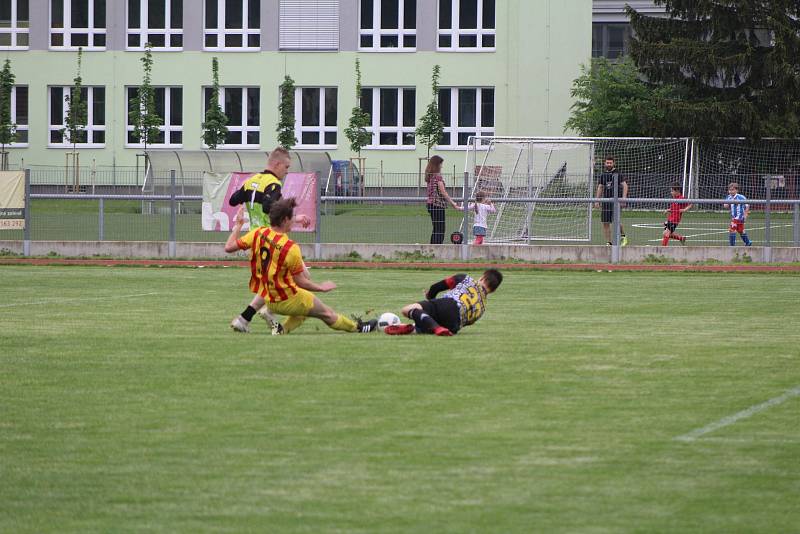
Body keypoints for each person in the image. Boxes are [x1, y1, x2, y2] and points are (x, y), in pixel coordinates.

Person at [225, 198, 378, 334]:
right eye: (292, 218)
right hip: (288, 299)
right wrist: (321, 287)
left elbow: (229, 247)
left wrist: (238, 225)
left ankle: (281, 330)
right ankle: (358, 327)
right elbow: (302, 282)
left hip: (269, 299)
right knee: (327, 314)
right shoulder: (290, 248)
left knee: (304, 312)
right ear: (285, 220)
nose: (294, 220)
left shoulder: (258, 233)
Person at [228, 147, 311, 333]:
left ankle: (243, 319)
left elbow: (233, 200)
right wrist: (294, 217)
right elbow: (268, 207)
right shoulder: (273, 184)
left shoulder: (252, 181)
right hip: (273, 241)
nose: (287, 171)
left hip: (255, 241)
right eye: (286, 167)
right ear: (277, 164)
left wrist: (248, 199)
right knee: (303, 277)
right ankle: (271, 311)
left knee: (268, 284)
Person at [384, 269, 503, 336]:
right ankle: (415, 328)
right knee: (424, 325)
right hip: (454, 325)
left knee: (407, 309)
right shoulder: (482, 309)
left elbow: (437, 286)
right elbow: (467, 322)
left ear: (482, 277)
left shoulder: (465, 278)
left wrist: (430, 297)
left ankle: (434, 327)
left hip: (449, 304)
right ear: (493, 290)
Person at [594, 156, 628, 246]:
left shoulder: (618, 173)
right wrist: (597, 201)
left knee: (616, 221)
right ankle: (609, 242)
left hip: (616, 201)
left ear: (613, 163)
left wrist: (624, 199)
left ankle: (623, 236)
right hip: (606, 201)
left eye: (610, 163)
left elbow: (625, 185)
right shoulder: (603, 175)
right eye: (607, 163)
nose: (609, 164)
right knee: (605, 222)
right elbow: (600, 187)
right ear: (604, 164)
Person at [425, 155, 458, 244]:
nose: (441, 166)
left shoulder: (430, 177)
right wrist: (452, 203)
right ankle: (437, 248)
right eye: (441, 164)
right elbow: (443, 192)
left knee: (436, 228)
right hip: (437, 205)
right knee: (440, 229)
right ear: (437, 165)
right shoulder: (437, 177)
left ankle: (432, 247)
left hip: (431, 205)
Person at [724, 182, 752, 246]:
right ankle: (748, 242)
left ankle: (732, 246)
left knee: (732, 229)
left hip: (739, 217)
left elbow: (747, 206)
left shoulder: (741, 197)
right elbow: (725, 206)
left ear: (736, 190)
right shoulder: (729, 197)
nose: (731, 191)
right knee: (740, 230)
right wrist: (728, 203)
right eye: (730, 190)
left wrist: (745, 215)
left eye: (733, 190)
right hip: (734, 217)